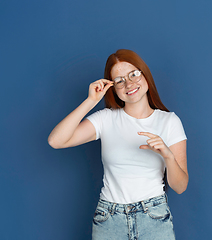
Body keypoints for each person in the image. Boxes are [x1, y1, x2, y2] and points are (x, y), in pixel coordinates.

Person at [48, 49, 188, 240]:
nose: (129, 83)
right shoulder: (106, 119)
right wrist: (91, 101)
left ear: (145, 74)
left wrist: (168, 156)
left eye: (134, 74)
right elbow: (56, 141)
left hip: (154, 217)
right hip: (110, 220)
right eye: (120, 80)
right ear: (113, 87)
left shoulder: (170, 122)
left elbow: (180, 186)